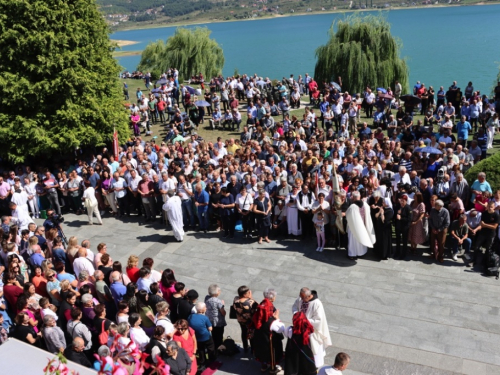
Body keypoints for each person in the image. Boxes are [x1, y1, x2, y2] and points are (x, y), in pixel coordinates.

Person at [292, 287, 331, 367]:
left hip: (312, 331)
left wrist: (304, 320)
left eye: (302, 298)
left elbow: (318, 320)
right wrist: (297, 315)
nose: (301, 299)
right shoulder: (301, 298)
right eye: (300, 297)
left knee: (314, 349)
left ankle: (314, 365)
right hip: (301, 327)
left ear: (309, 296)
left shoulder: (317, 304)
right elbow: (295, 306)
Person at [283, 311, 317, 375]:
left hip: (293, 356)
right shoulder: (309, 332)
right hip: (305, 357)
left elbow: (285, 333)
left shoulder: (289, 330)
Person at [345, 191, 375, 259]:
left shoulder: (352, 206)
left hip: (353, 227)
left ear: (353, 197)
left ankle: (352, 254)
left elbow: (348, 214)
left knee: (353, 241)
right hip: (363, 226)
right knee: (361, 238)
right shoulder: (365, 205)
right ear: (359, 196)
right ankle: (361, 253)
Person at [469, 201, 499, 269]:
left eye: (491, 207)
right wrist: (488, 225)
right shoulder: (484, 213)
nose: (489, 208)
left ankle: (485, 263)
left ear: (494, 207)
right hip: (483, 233)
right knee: (477, 247)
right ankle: (474, 261)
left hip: (491, 234)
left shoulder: (496, 215)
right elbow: (481, 223)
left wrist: (485, 225)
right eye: (488, 207)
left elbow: (494, 227)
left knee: (488, 249)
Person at [188, 302, 215, 369]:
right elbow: (210, 328)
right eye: (205, 307)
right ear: (202, 310)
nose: (206, 308)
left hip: (197, 337)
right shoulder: (205, 318)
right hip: (206, 336)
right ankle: (211, 360)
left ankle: (203, 362)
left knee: (201, 350)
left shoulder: (190, 316)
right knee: (210, 348)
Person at [232, 285, 258, 352]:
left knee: (243, 332)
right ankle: (253, 349)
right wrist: (251, 297)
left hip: (240, 320)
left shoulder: (236, 299)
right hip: (249, 322)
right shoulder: (249, 302)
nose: (249, 293)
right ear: (244, 294)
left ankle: (245, 347)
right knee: (251, 334)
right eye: (248, 292)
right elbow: (258, 306)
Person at [204, 284, 226, 350]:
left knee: (213, 334)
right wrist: (223, 305)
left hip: (209, 320)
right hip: (218, 322)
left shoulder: (207, 298)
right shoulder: (218, 302)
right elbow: (223, 313)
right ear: (217, 292)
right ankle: (218, 348)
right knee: (219, 335)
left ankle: (213, 345)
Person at [394, 194, 412, 260]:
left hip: (405, 227)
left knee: (404, 241)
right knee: (398, 240)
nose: (401, 202)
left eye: (403, 201)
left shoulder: (408, 208)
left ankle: (403, 253)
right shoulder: (398, 206)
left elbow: (409, 219)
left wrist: (401, 218)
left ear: (406, 201)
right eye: (401, 200)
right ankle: (397, 252)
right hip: (398, 226)